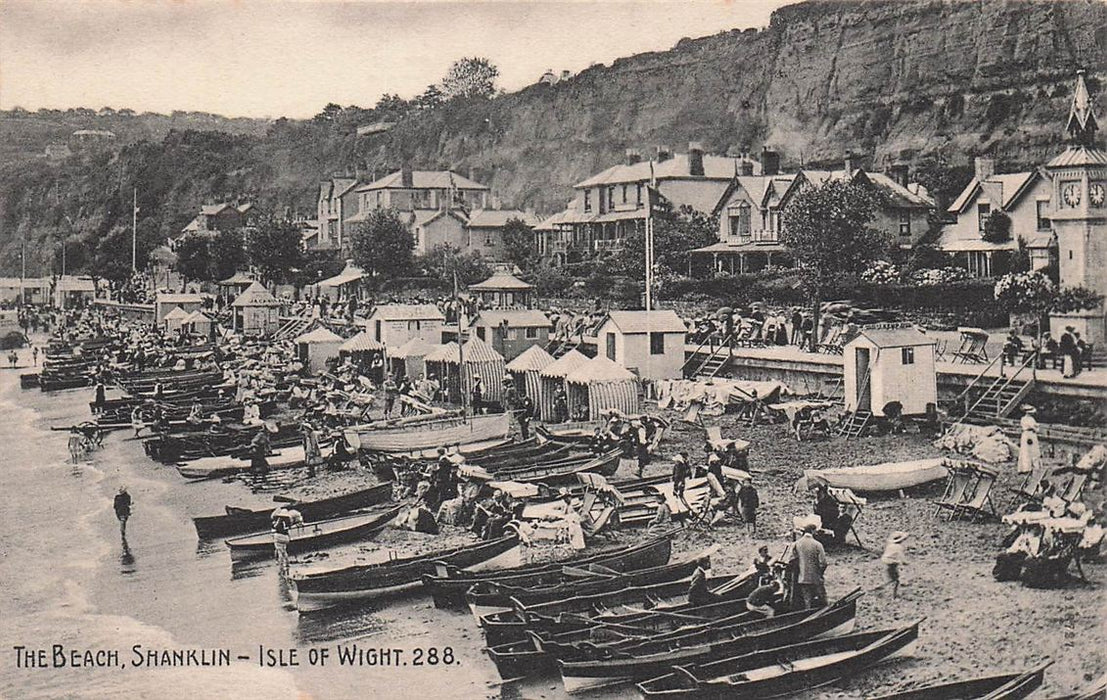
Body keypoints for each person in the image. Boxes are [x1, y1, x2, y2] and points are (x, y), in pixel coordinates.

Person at [790, 523, 828, 608]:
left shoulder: (796, 544)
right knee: (823, 600)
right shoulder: (818, 544)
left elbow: (791, 560)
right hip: (816, 578)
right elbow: (823, 563)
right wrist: (820, 573)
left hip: (803, 578)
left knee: (807, 601)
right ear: (812, 531)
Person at [881, 531, 909, 599]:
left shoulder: (890, 546)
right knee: (895, 580)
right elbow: (901, 557)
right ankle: (893, 596)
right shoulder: (898, 547)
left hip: (887, 563)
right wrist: (906, 562)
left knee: (892, 579)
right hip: (891, 564)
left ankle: (892, 594)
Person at [1017, 405, 1041, 475]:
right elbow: (1034, 428)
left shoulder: (1023, 419)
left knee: (1025, 450)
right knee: (1033, 450)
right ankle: (1033, 466)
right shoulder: (1031, 419)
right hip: (1030, 435)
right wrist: (1037, 428)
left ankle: (1025, 467)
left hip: (1025, 435)